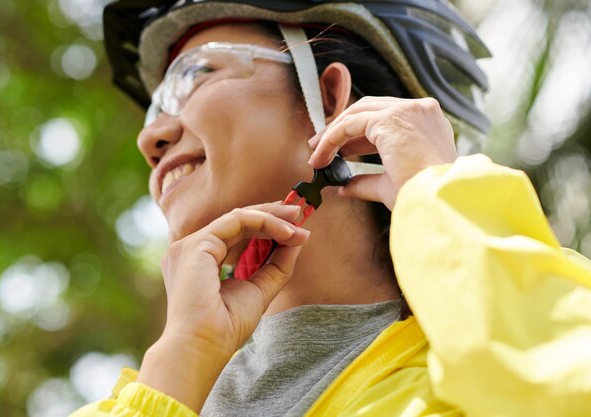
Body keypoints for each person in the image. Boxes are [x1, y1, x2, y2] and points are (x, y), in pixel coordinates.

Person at [71, 1, 591, 416]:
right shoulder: (134, 402)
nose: (150, 135)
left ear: (328, 95)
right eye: (157, 106)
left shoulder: (525, 331)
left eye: (197, 74)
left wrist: (439, 195)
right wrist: (180, 362)